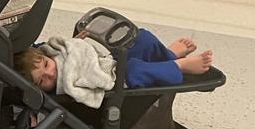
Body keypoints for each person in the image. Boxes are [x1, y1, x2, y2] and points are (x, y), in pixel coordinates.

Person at [14, 28, 213, 107]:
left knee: (142, 39)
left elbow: (71, 54)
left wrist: (74, 45)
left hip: (107, 62)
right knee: (134, 68)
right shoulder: (63, 88)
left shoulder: (53, 53)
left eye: (47, 65)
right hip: (116, 79)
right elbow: (87, 80)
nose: (51, 73)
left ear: (46, 56)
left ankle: (168, 55)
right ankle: (179, 66)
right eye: (42, 80)